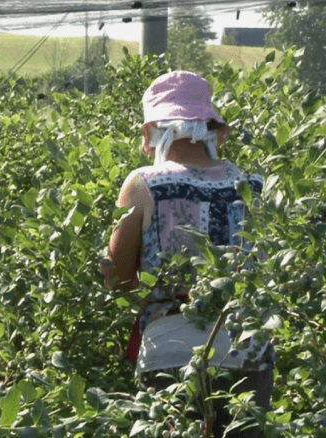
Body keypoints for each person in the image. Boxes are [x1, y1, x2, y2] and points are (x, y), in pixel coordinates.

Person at [100, 71, 273, 438]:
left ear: (151, 132)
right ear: (214, 130)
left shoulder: (144, 184)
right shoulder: (254, 186)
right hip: (247, 348)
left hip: (170, 350)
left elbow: (116, 279)